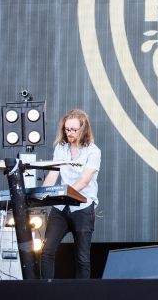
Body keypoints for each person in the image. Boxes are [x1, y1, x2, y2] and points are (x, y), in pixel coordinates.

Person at [40, 109, 101, 279]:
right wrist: (43, 193)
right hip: (60, 207)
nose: (69, 133)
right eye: (67, 129)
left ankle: (81, 295)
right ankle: (46, 292)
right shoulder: (61, 148)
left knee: (82, 258)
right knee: (47, 251)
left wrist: (63, 193)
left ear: (83, 129)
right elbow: (53, 175)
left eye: (73, 130)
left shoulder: (93, 151)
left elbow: (84, 181)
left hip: (83, 206)